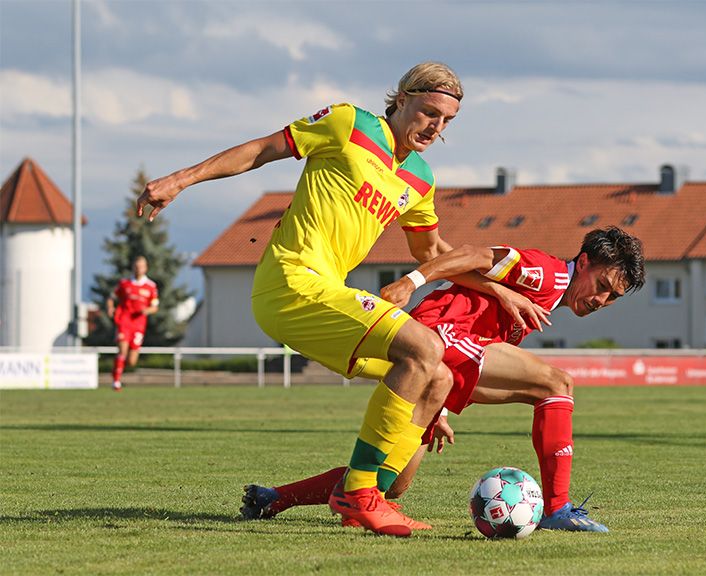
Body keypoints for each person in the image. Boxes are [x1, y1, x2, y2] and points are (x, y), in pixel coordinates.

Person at [135, 62, 548, 537]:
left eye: (447, 120)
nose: (436, 127)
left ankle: (362, 494)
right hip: (291, 281)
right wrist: (181, 179)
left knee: (438, 378)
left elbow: (432, 252)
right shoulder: (349, 123)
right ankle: (358, 493)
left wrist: (498, 290)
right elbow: (263, 150)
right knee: (424, 347)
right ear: (402, 100)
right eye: (429, 112)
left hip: (327, 294)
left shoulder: (419, 178)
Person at [239, 227, 646, 533]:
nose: (601, 300)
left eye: (612, 297)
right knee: (558, 384)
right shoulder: (547, 274)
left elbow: (478, 299)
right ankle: (557, 509)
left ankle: (274, 498)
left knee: (391, 485)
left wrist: (443, 406)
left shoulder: (552, 293)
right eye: (602, 286)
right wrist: (411, 281)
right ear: (585, 262)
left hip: (448, 356)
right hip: (441, 337)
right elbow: (469, 254)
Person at [106, 256, 159, 391]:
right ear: (133, 267)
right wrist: (110, 307)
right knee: (122, 350)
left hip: (139, 324)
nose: (138, 269)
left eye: (141, 266)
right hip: (124, 321)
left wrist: (147, 310)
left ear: (146, 268)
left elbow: (155, 306)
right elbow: (111, 298)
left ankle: (117, 369)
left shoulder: (151, 286)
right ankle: (116, 381)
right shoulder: (124, 283)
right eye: (136, 266)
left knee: (131, 361)